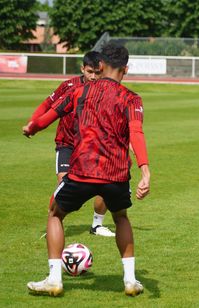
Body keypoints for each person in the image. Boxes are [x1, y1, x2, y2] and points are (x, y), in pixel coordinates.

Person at [23, 42, 150, 297]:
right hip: (115, 174)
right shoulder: (131, 98)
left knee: (55, 214)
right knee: (121, 217)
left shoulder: (79, 91)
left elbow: (50, 115)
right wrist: (145, 171)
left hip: (81, 170)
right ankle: (129, 280)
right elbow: (136, 133)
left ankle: (55, 279)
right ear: (126, 68)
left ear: (100, 65)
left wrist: (32, 128)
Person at [25, 51, 115, 238]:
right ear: (82, 69)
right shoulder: (68, 86)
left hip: (92, 146)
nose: (93, 76)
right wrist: (32, 123)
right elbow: (46, 106)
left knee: (106, 183)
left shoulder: (107, 90)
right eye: (90, 71)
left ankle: (97, 225)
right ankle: (54, 222)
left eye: (97, 72)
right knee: (64, 184)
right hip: (67, 144)